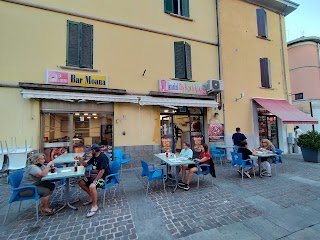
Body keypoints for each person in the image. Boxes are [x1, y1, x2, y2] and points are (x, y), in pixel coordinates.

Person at [75, 144, 112, 217]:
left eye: (91, 150)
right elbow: (86, 165)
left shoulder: (103, 157)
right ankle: (92, 197)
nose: (90, 151)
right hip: (95, 176)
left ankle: (94, 206)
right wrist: (80, 159)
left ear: (94, 150)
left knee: (92, 186)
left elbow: (102, 171)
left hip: (104, 178)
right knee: (80, 182)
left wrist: (94, 181)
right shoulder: (94, 157)